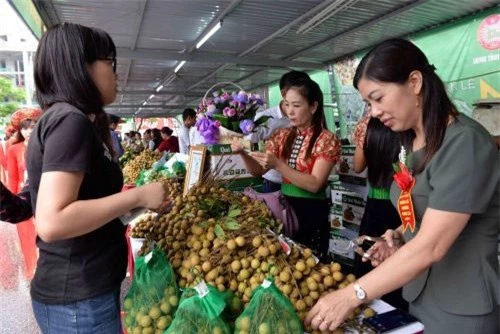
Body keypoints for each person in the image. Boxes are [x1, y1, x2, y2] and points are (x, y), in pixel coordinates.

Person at [305, 38, 499, 334]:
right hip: (420, 292)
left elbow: (432, 245)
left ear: (415, 82)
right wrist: (396, 236)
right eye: (368, 103)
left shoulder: (464, 144)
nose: (373, 112)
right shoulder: (408, 142)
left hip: (461, 307)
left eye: (378, 98)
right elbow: (426, 214)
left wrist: (352, 293)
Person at [27, 23, 167, 333]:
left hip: (82, 294)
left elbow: (83, 205)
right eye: (110, 63)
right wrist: (139, 196)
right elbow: (53, 221)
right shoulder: (69, 121)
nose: (116, 73)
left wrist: (136, 207)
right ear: (81, 67)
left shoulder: (69, 120)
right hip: (78, 300)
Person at [233, 77, 340, 259]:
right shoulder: (282, 135)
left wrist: (279, 165)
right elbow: (258, 171)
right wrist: (243, 154)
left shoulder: (326, 139)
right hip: (283, 210)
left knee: (310, 265)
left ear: (313, 107)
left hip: (310, 212)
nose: (290, 111)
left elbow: (315, 184)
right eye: (287, 105)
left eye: (296, 106)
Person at [352, 114, 408, 311]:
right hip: (405, 209)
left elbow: (357, 166)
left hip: (377, 207)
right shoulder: (410, 124)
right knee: (401, 271)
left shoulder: (369, 126)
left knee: (368, 264)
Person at [245, 70, 311, 193]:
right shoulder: (265, 119)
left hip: (303, 183)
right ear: (284, 93)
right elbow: (249, 146)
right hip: (274, 183)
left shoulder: (311, 120)